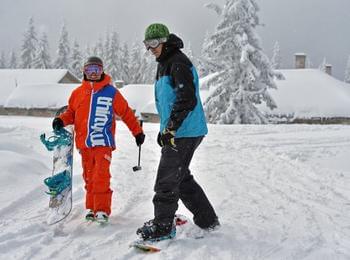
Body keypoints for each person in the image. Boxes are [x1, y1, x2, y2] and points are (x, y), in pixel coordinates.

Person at [136, 23, 219, 241]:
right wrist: (166, 129)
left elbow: (186, 98)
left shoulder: (178, 62)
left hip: (185, 131)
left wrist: (171, 128)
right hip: (180, 131)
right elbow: (169, 100)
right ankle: (208, 220)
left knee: (167, 180)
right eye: (147, 44)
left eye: (154, 43)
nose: (150, 48)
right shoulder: (165, 63)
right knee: (180, 178)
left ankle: (163, 227)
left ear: (164, 41)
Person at [52, 56, 145, 223]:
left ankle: (102, 210)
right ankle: (91, 207)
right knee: (89, 177)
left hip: (103, 142)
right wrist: (61, 120)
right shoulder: (77, 93)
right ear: (84, 72)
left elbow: (126, 113)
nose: (93, 74)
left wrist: (137, 132)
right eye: (89, 70)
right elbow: (71, 113)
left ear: (102, 71)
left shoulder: (111, 92)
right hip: (84, 144)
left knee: (100, 176)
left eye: (97, 70)